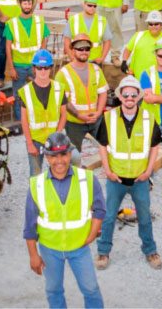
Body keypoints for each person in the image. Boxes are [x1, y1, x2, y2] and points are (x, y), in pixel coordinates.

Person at [24, 132, 105, 309]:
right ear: (46, 157)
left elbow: (100, 209)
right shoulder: (36, 185)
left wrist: (91, 235)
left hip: (79, 247)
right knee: (53, 290)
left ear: (70, 154)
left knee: (91, 289)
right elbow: (30, 225)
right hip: (50, 249)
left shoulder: (87, 178)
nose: (59, 160)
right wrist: (33, 255)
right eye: (53, 156)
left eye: (63, 154)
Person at [93, 76, 162, 271]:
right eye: (126, 95)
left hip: (140, 179)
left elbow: (154, 146)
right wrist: (107, 170)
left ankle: (150, 251)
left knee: (144, 217)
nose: (130, 98)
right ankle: (103, 252)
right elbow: (102, 145)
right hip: (115, 179)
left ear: (138, 96)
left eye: (134, 94)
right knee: (108, 217)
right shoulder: (109, 118)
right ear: (121, 96)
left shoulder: (149, 118)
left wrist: (149, 170)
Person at [18, 49, 67, 176]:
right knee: (36, 174)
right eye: (39, 68)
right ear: (34, 69)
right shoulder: (26, 92)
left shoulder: (59, 88)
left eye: (46, 67)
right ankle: (36, 196)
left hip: (54, 137)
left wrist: (58, 135)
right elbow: (24, 120)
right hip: (35, 139)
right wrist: (29, 144)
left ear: (51, 68)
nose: (43, 71)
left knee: (60, 171)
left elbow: (63, 115)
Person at [56, 34, 109, 150]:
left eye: (87, 49)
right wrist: (80, 116)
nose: (84, 52)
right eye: (80, 49)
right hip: (74, 122)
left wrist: (99, 112)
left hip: (96, 120)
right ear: (73, 50)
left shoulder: (96, 70)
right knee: (74, 154)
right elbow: (63, 100)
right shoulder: (63, 74)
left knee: (106, 149)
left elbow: (103, 92)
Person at [6, 0, 52, 120]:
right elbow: (8, 47)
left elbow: (44, 39)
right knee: (19, 95)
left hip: (36, 66)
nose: (27, 6)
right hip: (19, 66)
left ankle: (40, 118)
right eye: (25, 3)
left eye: (29, 3)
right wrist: (11, 68)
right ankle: (21, 121)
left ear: (32, 5)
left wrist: (41, 61)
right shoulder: (12, 23)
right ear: (20, 4)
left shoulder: (39, 21)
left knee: (41, 92)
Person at [123, 11, 162, 77]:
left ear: (161, 25)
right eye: (150, 24)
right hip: (137, 80)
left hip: (159, 82)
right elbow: (128, 49)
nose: (153, 26)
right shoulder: (138, 36)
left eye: (156, 24)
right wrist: (124, 61)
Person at [69, 0, 113, 64]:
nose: (92, 8)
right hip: (78, 60)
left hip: (95, 61)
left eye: (94, 6)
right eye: (89, 5)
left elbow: (107, 41)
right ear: (83, 4)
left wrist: (102, 58)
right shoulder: (74, 19)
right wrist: (71, 57)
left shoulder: (102, 21)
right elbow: (67, 39)